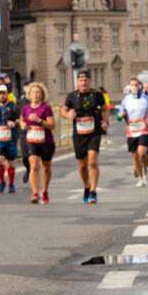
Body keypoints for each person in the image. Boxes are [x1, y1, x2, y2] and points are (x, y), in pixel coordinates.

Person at [63, 70, 108, 203]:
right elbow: (63, 110)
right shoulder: (72, 96)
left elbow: (106, 108)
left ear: (90, 81)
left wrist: (105, 121)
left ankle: (93, 191)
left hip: (94, 132)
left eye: (86, 80)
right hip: (79, 134)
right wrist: (67, 115)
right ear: (78, 82)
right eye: (81, 80)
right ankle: (87, 186)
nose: (84, 83)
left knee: (92, 160)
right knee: (82, 165)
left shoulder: (97, 95)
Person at [21, 82, 55, 204]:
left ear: (42, 95)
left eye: (38, 92)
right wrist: (23, 125)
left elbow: (52, 125)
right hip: (31, 141)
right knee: (34, 165)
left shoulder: (46, 108)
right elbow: (22, 120)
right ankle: (35, 193)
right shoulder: (25, 108)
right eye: (33, 92)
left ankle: (44, 191)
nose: (35, 95)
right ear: (29, 94)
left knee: (46, 167)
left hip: (46, 141)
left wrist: (39, 120)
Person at [118, 78, 148, 187]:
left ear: (140, 86)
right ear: (129, 87)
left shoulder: (147, 98)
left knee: (142, 152)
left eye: (136, 85)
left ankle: (145, 168)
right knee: (135, 157)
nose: (134, 87)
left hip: (144, 129)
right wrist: (119, 115)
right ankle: (140, 178)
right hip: (131, 130)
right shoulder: (126, 100)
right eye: (131, 85)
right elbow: (120, 112)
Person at [0, 85, 21, 194]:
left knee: (11, 162)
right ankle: (2, 182)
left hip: (11, 138)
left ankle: (11, 183)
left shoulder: (14, 107)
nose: (2, 95)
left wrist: (15, 123)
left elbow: (21, 120)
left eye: (4, 93)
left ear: (7, 94)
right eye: (0, 93)